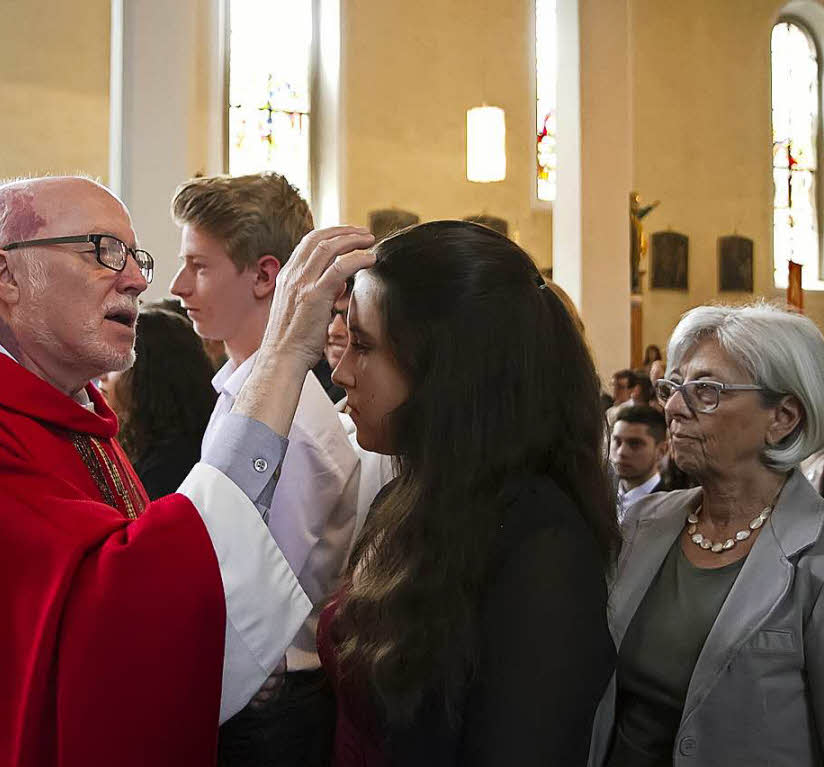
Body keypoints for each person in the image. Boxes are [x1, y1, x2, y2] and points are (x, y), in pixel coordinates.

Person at [0, 174, 376, 766]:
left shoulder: (67, 417)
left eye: (136, 256)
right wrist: (285, 352)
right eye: (103, 251)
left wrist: (233, 649)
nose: (138, 277)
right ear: (6, 275)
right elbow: (103, 630)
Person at [316, 220, 618, 765]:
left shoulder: (543, 548)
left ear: (447, 369)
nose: (339, 372)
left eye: (362, 345)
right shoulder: (404, 497)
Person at [170, 172, 359, 766]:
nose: (178, 286)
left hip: (268, 705)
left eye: (199, 266)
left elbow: (245, 594)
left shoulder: (292, 415)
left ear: (264, 275)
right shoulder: (241, 391)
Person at [588, 303, 824, 766]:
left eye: (706, 390)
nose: (673, 407)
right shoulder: (643, 523)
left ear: (783, 417)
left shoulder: (815, 553)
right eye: (674, 387)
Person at [101, 305, 216, 500]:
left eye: (118, 361)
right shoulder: (140, 441)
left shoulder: (168, 471)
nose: (102, 375)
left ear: (149, 375)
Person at [610, 404, 667, 521]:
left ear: (661, 451)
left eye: (635, 443)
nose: (622, 452)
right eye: (617, 441)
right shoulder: (599, 495)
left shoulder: (672, 507)